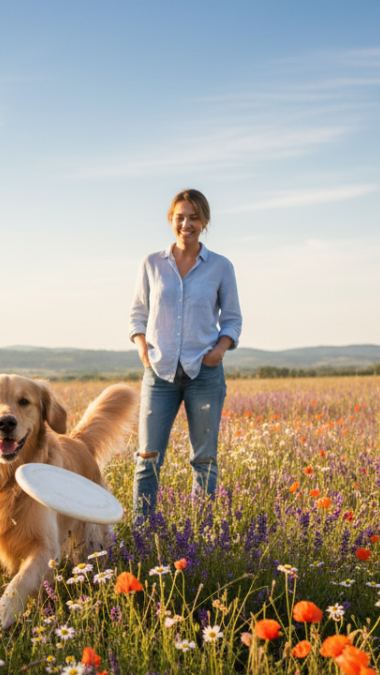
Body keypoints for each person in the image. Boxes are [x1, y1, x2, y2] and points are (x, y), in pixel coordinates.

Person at [128, 188, 242, 518]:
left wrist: (218, 352)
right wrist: (142, 350)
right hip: (159, 372)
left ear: (205, 221)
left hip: (204, 374)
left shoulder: (220, 266)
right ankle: (143, 534)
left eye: (194, 217)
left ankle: (202, 536)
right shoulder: (152, 263)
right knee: (147, 457)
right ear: (171, 220)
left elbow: (232, 319)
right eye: (180, 217)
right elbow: (137, 313)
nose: (186, 224)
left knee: (204, 459)